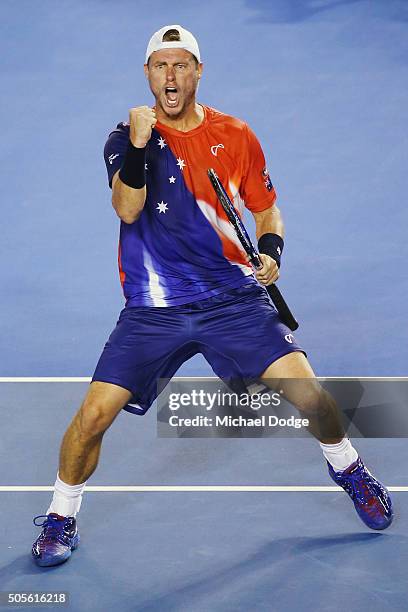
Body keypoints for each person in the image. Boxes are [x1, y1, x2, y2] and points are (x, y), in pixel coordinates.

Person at [31, 24, 393, 567]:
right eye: (160, 65)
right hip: (155, 310)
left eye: (181, 65)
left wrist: (270, 250)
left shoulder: (237, 134)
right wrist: (136, 143)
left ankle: (347, 467)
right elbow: (128, 209)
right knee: (92, 418)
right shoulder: (125, 138)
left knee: (314, 398)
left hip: (234, 302)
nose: (170, 76)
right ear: (148, 74)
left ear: (198, 72)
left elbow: (266, 207)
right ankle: (62, 516)